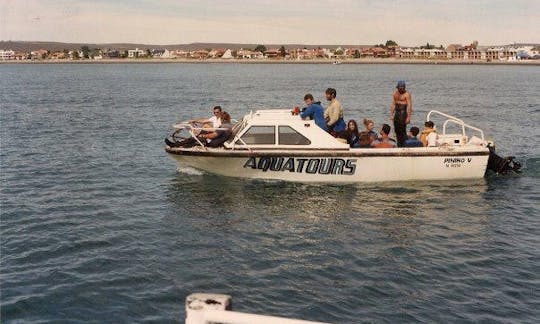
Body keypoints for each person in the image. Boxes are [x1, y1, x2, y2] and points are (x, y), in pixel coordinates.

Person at [390, 81, 412, 147]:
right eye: (400, 88)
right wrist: (391, 114)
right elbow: (393, 104)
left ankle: (404, 144)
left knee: (402, 130)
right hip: (397, 112)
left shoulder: (407, 94)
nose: (401, 89)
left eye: (402, 88)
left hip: (403, 112)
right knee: (397, 130)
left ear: (404, 87)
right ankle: (399, 144)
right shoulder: (395, 94)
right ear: (398, 87)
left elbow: (409, 106)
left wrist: (408, 117)